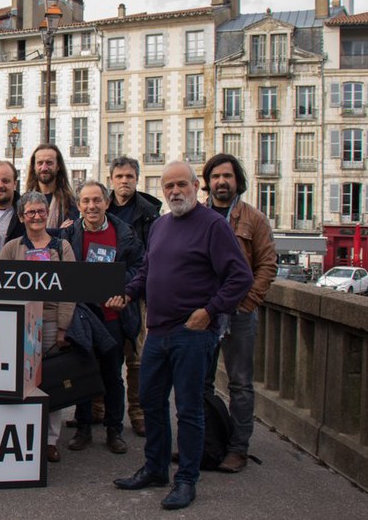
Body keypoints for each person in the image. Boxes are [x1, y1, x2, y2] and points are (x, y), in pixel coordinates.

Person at [109, 162, 253, 511]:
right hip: (157, 332)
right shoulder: (159, 226)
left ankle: (186, 480)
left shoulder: (213, 226)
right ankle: (156, 468)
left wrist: (210, 311)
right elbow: (147, 270)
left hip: (192, 334)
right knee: (151, 403)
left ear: (195, 186)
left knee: (189, 410)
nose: (175, 191)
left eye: (181, 185)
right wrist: (127, 293)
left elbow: (240, 277)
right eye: (168, 186)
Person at [202, 153, 277, 473]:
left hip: (239, 313)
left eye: (227, 176)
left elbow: (267, 265)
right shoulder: (198, 216)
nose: (221, 181)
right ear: (208, 182)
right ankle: (205, 444)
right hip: (204, 312)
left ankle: (238, 449)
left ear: (237, 181)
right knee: (199, 383)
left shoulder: (254, 219)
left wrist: (248, 302)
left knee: (241, 384)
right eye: (216, 176)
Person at [63, 181, 144, 454]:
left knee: (113, 376)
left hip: (113, 315)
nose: (91, 206)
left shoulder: (125, 234)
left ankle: (114, 430)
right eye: (85, 201)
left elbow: (140, 269)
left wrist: (120, 288)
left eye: (97, 200)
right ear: (78, 206)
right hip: (82, 315)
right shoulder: (69, 234)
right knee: (83, 373)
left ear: (107, 203)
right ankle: (84, 427)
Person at [0, 191, 76, 463]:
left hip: (52, 320)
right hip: (20, 322)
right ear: (21, 217)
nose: (36, 216)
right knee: (22, 381)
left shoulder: (61, 247)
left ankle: (50, 440)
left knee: (51, 381)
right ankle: (24, 433)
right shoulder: (11, 247)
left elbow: (70, 289)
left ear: (47, 214)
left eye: (40, 211)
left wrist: (64, 328)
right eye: (30, 212)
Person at [103, 156, 161, 437]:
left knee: (136, 357)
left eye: (129, 176)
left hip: (136, 292)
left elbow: (153, 255)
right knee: (104, 351)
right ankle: (98, 409)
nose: (124, 181)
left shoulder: (149, 212)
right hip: (103, 291)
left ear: (137, 179)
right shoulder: (101, 206)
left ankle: (138, 412)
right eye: (119, 176)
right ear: (111, 179)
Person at [25, 144, 78, 228]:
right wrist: (59, 232)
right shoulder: (24, 202)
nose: (44, 168)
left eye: (49, 163)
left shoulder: (70, 202)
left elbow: (69, 234)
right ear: (34, 167)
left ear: (58, 166)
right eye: (40, 163)